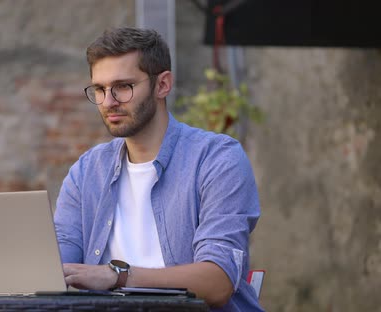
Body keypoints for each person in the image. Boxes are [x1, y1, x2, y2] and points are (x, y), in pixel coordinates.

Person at [53, 27, 263, 311]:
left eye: (123, 87)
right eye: (100, 89)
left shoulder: (216, 160)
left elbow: (218, 281)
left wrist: (117, 276)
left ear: (162, 84)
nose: (108, 102)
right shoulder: (87, 171)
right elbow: (56, 268)